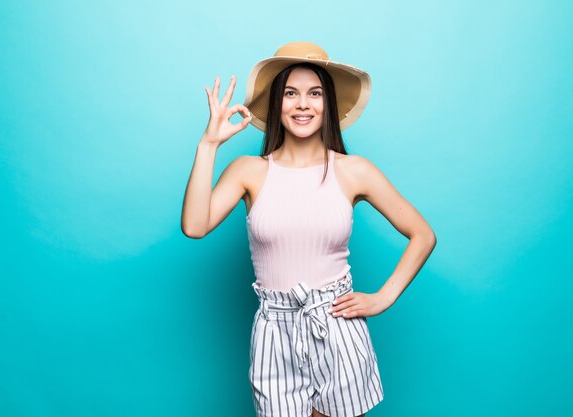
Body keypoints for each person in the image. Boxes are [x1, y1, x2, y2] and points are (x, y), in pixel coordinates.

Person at [181, 41, 436, 417]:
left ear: (328, 103)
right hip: (274, 331)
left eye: (314, 93)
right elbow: (194, 226)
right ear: (275, 103)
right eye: (290, 93)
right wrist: (208, 145)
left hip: (337, 327)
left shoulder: (354, 170)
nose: (303, 104)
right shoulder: (249, 171)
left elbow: (423, 234)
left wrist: (382, 298)